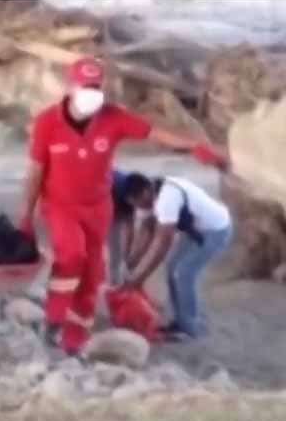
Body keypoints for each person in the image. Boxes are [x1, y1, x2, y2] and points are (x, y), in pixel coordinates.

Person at [18, 56, 229, 355]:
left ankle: (75, 335)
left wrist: (195, 146)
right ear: (70, 87)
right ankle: (54, 319)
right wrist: (26, 215)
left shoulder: (113, 118)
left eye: (96, 87)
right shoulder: (47, 123)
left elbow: (155, 133)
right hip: (61, 206)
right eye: (85, 86)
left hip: (98, 208)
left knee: (94, 272)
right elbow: (35, 172)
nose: (91, 93)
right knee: (72, 255)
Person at [120, 173, 232, 340]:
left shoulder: (167, 198)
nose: (139, 208)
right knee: (171, 268)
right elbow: (147, 232)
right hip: (195, 230)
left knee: (183, 274)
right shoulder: (149, 195)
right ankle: (180, 320)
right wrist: (130, 264)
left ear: (144, 192)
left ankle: (189, 328)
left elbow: (162, 244)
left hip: (216, 230)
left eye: (138, 203)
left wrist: (140, 278)